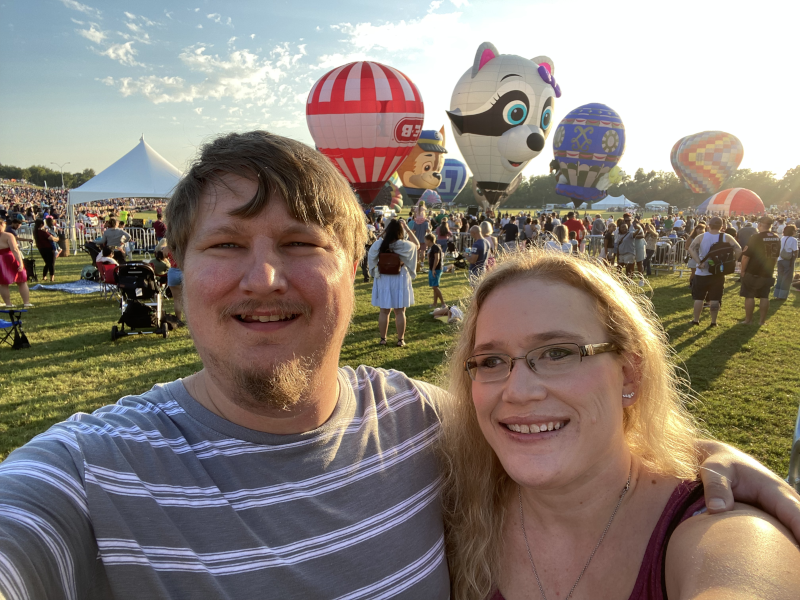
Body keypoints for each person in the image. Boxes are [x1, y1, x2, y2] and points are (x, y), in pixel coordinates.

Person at [1, 132, 799, 600]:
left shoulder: (419, 421)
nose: (264, 278)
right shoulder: (88, 467)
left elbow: (563, 433)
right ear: (175, 265)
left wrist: (705, 461)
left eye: (301, 246)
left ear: (359, 265)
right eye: (225, 246)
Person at [439, 251, 800, 600]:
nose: (516, 391)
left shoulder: (720, 527)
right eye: (490, 361)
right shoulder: (449, 513)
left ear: (629, 375)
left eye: (558, 353)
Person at [368, 218, 418, 346]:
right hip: (399, 277)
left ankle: (383, 339)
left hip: (384, 278)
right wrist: (406, 227)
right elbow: (417, 245)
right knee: (400, 311)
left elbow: (371, 258)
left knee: (384, 311)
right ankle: (400, 340)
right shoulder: (404, 245)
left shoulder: (379, 244)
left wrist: (383, 233)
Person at [687, 216, 742, 327]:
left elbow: (691, 248)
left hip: (702, 272)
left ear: (709, 225)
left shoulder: (701, 236)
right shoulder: (726, 237)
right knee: (715, 298)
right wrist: (733, 261)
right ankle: (713, 322)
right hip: (718, 272)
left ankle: (696, 320)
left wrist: (699, 262)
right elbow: (738, 249)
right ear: (721, 226)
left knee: (699, 298)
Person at [739, 216, 781, 325]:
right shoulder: (776, 238)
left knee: (749, 295)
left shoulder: (756, 237)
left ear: (760, 225)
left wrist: (743, 271)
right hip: (767, 271)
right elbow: (776, 257)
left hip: (753, 271)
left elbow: (746, 257)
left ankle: (748, 320)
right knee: (764, 296)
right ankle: (762, 321)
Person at [0, 219, 34, 308]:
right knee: (21, 281)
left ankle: (8, 303)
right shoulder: (8, 235)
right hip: (9, 258)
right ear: (2, 225)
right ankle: (26, 302)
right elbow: (14, 249)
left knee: (3, 283)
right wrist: (20, 262)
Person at [774, 224, 798, 300]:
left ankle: (777, 294)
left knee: (780, 277)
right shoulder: (793, 240)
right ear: (792, 231)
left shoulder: (782, 238)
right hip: (788, 260)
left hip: (780, 259)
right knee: (787, 278)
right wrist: (795, 259)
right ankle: (783, 296)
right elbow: (795, 251)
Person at [425, 233, 444, 308]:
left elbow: (437, 258)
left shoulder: (435, 247)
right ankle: (435, 303)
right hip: (432, 269)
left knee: (435, 287)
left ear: (429, 240)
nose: (425, 242)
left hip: (436, 269)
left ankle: (443, 303)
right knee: (434, 286)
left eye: (425, 240)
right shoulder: (432, 248)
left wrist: (433, 269)